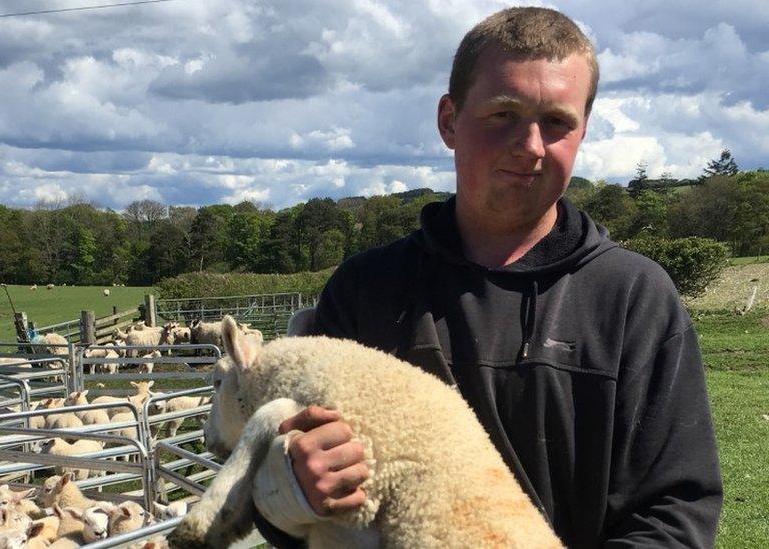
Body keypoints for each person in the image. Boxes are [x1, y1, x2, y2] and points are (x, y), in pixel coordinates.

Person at [251, 6, 723, 548]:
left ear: (583, 130)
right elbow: (276, 500)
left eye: (557, 122)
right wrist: (295, 487)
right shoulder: (365, 291)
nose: (530, 145)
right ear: (450, 120)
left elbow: (674, 511)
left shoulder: (633, 298)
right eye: (503, 114)